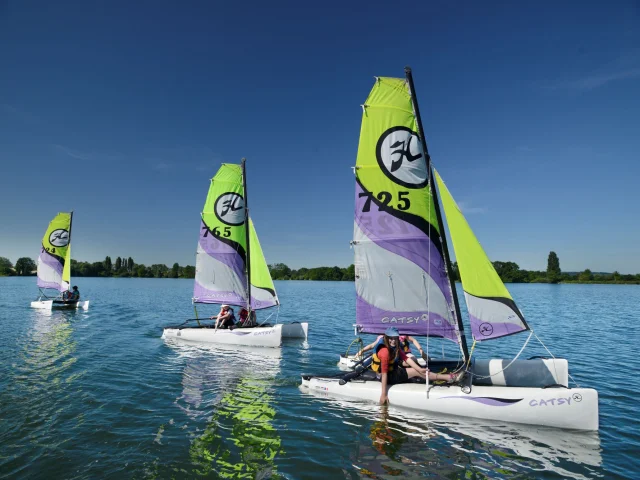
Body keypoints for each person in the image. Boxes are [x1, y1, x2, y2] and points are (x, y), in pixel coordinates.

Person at [372, 327, 463, 404]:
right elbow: (384, 374)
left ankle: (444, 376)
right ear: (386, 338)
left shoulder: (395, 347)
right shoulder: (385, 352)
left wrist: (420, 369)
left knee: (417, 370)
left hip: (392, 371)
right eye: (390, 338)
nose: (393, 341)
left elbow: (406, 358)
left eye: (395, 338)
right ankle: (449, 378)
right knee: (416, 371)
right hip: (385, 376)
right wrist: (383, 394)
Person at [357, 332, 425, 365]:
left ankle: (399, 365)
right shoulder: (382, 336)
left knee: (413, 359)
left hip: (404, 354)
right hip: (391, 356)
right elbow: (372, 345)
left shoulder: (401, 333)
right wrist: (361, 351)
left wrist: (421, 352)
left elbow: (413, 340)